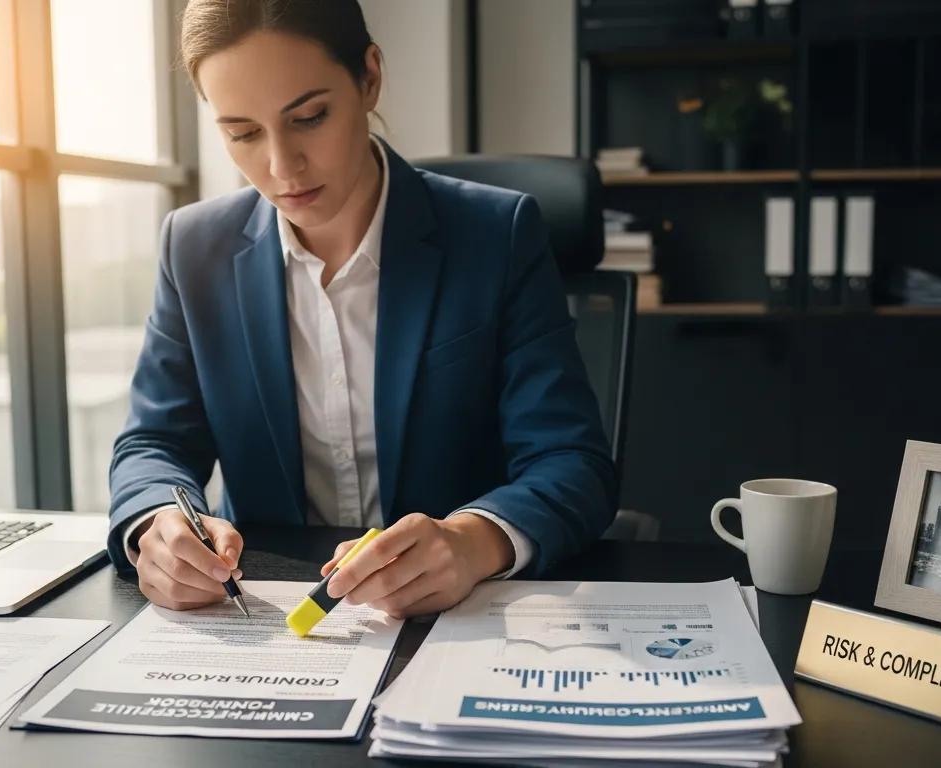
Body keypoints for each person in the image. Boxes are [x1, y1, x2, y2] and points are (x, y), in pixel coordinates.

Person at [108, 0, 615, 619]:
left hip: (456, 616)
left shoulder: (496, 235)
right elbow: (154, 442)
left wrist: (473, 541)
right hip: (269, 614)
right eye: (242, 133)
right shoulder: (193, 247)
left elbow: (572, 461)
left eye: (309, 117)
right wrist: (158, 522)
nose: (281, 166)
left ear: (369, 77)